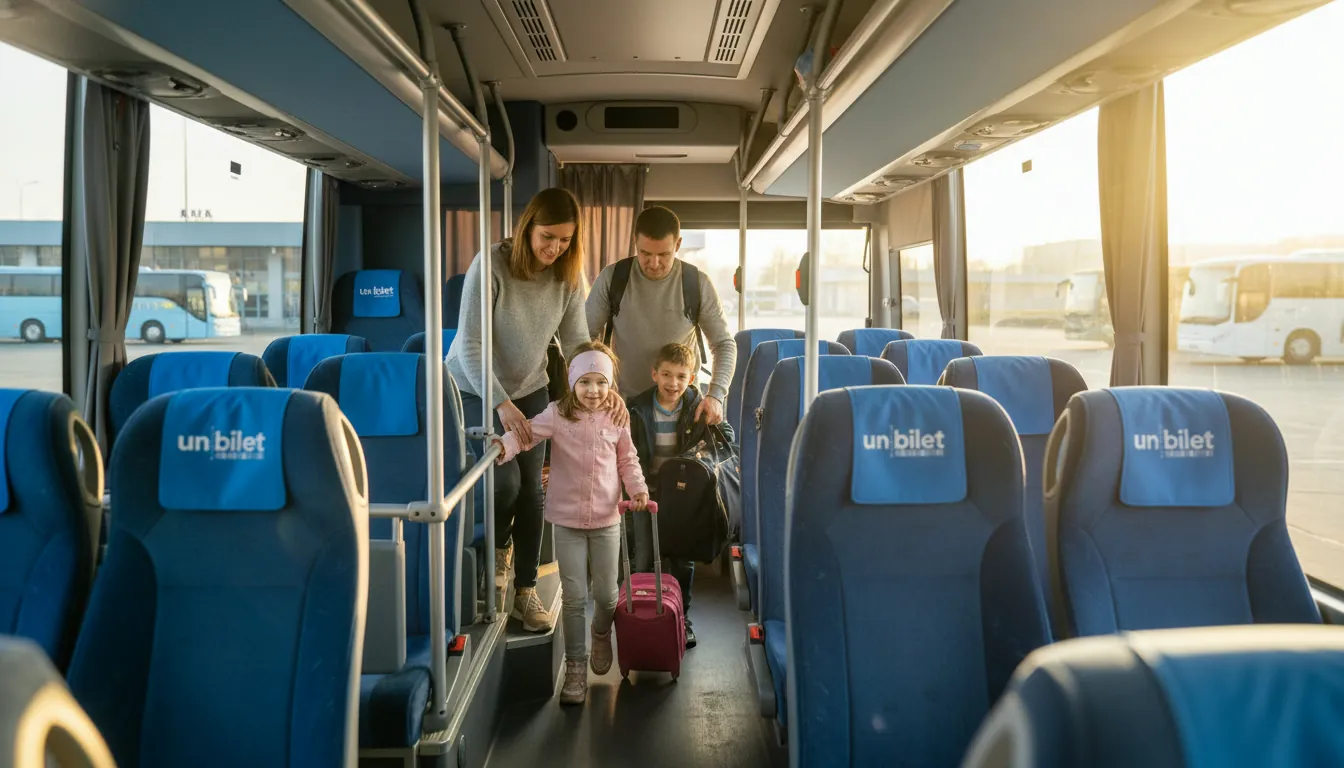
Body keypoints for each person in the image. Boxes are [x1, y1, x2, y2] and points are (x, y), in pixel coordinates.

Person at [447, 187, 628, 632]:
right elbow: (470, 343)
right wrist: (499, 403)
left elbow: (576, 344)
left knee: (533, 490)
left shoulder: (567, 276)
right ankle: (498, 550)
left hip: (530, 385)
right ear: (528, 227)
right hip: (474, 385)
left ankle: (524, 591)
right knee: (504, 482)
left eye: (565, 241)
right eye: (548, 237)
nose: (555, 248)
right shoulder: (491, 264)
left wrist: (605, 384)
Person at [493, 341, 648, 705]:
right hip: (566, 522)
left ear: (610, 386)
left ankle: (599, 634)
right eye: (584, 382)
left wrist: (638, 489)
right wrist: (504, 446)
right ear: (573, 381)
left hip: (608, 519)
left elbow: (628, 459)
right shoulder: (556, 414)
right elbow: (525, 434)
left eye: (600, 383)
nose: (592, 391)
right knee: (576, 597)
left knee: (608, 597)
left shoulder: (616, 418)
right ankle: (575, 667)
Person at [585, 205, 736, 423]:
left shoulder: (696, 283)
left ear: (678, 244)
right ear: (634, 242)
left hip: (683, 410)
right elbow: (586, 339)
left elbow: (724, 344)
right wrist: (597, 386)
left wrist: (716, 395)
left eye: (664, 254)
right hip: (622, 408)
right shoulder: (613, 278)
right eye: (645, 253)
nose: (654, 264)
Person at [627, 343, 734, 649]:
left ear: (690, 379)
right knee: (644, 557)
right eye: (666, 375)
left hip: (683, 496)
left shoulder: (698, 406)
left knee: (681, 560)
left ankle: (681, 617)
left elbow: (726, 439)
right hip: (646, 491)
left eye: (680, 376)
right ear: (654, 374)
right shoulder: (638, 408)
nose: (672, 383)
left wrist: (716, 420)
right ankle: (644, 618)